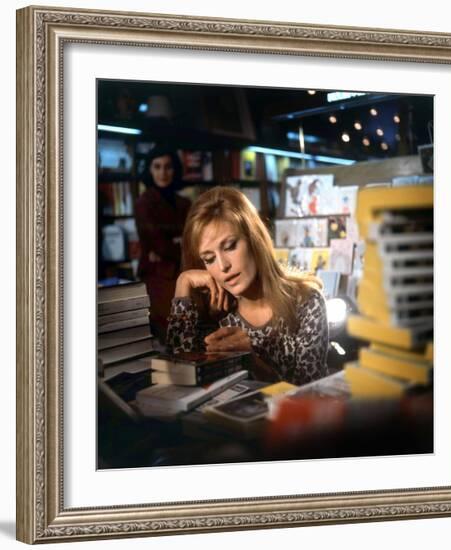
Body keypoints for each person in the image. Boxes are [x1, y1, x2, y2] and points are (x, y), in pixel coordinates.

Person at [166, 186, 329, 385]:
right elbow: (177, 380)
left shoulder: (306, 303)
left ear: (254, 239)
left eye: (230, 246)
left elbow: (309, 395)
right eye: (209, 259)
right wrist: (182, 284)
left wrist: (251, 360)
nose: (223, 266)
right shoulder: (213, 312)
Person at [134, 146, 191, 343]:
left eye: (168, 167)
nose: (163, 172)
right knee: (170, 330)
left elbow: (193, 239)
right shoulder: (144, 202)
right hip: (157, 275)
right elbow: (158, 244)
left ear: (174, 170)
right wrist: (179, 243)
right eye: (157, 167)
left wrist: (177, 244)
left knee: (189, 327)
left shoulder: (184, 202)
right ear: (149, 170)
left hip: (180, 270)